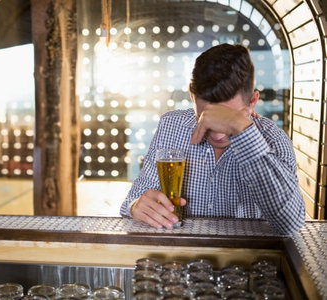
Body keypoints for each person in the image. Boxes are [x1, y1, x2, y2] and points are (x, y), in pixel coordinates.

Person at [120, 44, 305, 235]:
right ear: (192, 97)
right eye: (206, 117)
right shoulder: (171, 125)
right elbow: (133, 200)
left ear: (252, 102)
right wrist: (136, 206)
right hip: (180, 257)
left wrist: (242, 129)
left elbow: (290, 224)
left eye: (227, 120)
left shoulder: (273, 140)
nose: (217, 135)